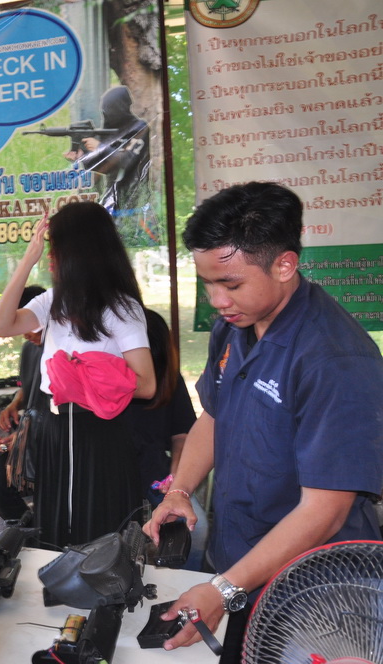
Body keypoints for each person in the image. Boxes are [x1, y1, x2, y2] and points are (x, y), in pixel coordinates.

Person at [144, 182, 383, 662]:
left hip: (317, 590)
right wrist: (180, 490)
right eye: (207, 283)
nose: (217, 299)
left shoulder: (334, 360)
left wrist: (222, 590)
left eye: (231, 284)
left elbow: (324, 512)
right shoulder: (233, 327)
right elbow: (215, 415)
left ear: (284, 265)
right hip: (238, 567)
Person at [0, 202, 155, 549]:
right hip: (54, 431)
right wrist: (27, 260)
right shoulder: (53, 300)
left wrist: (82, 377)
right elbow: (1, 326)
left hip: (98, 432)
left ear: (80, 251)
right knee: (55, 530)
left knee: (99, 534)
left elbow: (146, 384)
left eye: (55, 248)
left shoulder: (121, 308)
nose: (50, 257)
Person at [0, 284, 46, 522]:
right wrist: (14, 404)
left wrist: (24, 437)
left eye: (28, 326)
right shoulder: (30, 349)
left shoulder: (65, 350)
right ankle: (29, 532)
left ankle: (41, 531)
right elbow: (28, 388)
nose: (25, 335)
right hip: (28, 433)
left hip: (51, 439)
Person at [122, 309, 197, 502]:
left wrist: (176, 476)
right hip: (116, 481)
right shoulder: (106, 379)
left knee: (190, 520)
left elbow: (182, 434)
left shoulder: (170, 379)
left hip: (155, 478)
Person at [65, 86, 150, 217]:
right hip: (111, 199)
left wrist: (100, 147)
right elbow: (103, 168)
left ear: (120, 107)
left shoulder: (139, 128)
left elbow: (128, 161)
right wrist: (83, 157)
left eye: (111, 109)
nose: (108, 114)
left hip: (135, 200)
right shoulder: (108, 131)